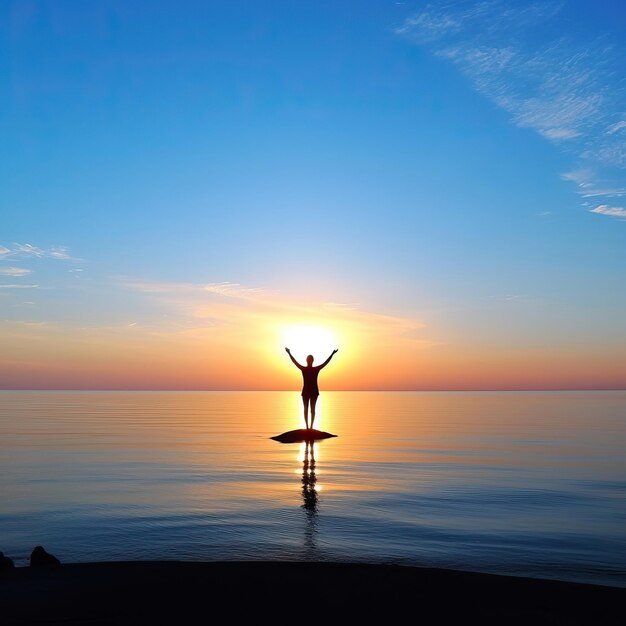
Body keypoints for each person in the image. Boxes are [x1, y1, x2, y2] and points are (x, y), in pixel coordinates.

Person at [285, 347, 338, 429]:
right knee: (307, 409)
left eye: (310, 360)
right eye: (309, 359)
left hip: (312, 391)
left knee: (312, 409)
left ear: (311, 361)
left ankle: (310, 427)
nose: (309, 361)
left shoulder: (313, 369)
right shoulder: (306, 369)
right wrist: (289, 353)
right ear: (308, 361)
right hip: (308, 391)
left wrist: (332, 354)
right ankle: (307, 427)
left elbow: (325, 363)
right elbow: (295, 362)